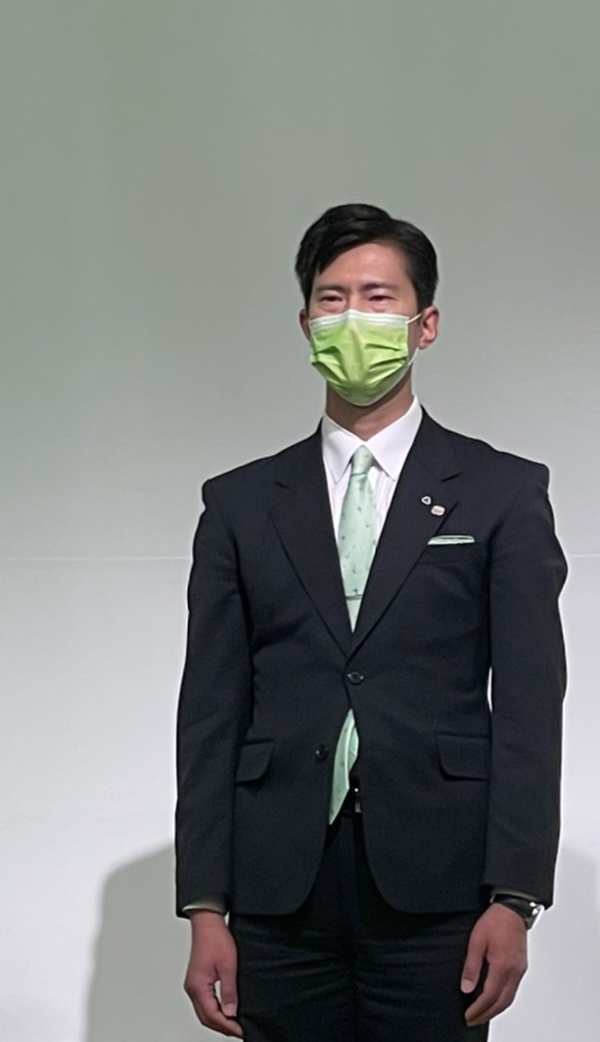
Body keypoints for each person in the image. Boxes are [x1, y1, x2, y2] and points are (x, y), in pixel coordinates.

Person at [175, 204, 567, 1040]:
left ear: (426, 325)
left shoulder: (501, 493)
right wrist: (205, 904)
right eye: (333, 298)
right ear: (306, 324)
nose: (354, 318)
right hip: (278, 890)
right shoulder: (240, 504)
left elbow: (531, 708)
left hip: (441, 883)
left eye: (378, 297)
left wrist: (516, 895)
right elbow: (209, 711)